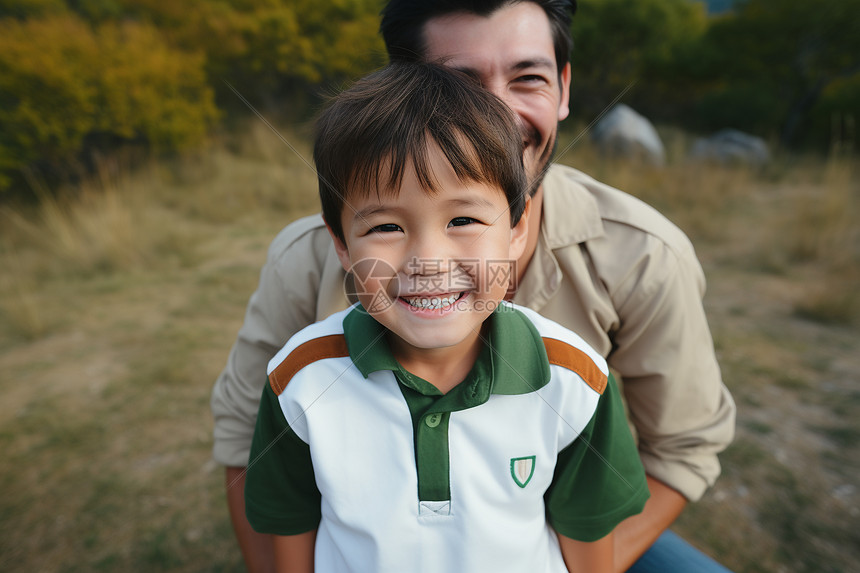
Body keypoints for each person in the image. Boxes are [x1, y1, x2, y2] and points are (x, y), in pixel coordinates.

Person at [211, 1, 737, 571]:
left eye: (527, 77)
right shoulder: (306, 263)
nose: (499, 115)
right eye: (459, 85)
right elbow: (249, 444)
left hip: (560, 521)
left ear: (564, 86)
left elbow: (681, 451)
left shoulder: (644, 257)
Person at [244, 60, 649, 573]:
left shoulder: (575, 380)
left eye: (463, 219)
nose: (426, 262)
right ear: (342, 246)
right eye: (386, 227)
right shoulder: (298, 380)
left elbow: (589, 543)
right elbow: (291, 529)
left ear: (517, 229)